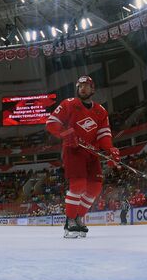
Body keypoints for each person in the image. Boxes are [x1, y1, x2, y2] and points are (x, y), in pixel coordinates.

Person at [46, 75, 120, 238]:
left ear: (93, 89)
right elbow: (51, 123)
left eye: (86, 86)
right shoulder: (69, 104)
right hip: (73, 150)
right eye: (80, 86)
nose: (82, 88)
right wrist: (65, 133)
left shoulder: (101, 111)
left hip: (92, 153)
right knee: (78, 185)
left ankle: (79, 219)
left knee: (95, 187)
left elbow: (104, 134)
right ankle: (69, 222)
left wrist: (110, 149)